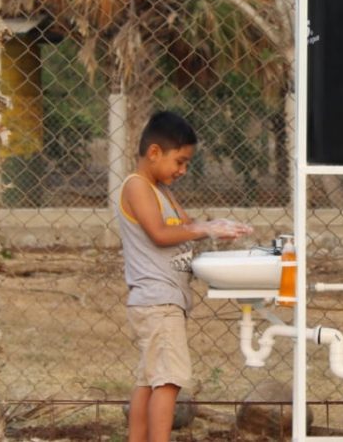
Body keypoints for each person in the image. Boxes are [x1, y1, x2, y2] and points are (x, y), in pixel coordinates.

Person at [116, 110, 252, 442]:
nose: (183, 170)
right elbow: (161, 234)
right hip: (157, 300)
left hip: (164, 302)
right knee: (168, 381)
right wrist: (203, 228)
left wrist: (215, 228)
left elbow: (187, 228)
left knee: (149, 381)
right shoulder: (137, 187)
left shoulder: (161, 190)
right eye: (180, 161)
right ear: (153, 153)